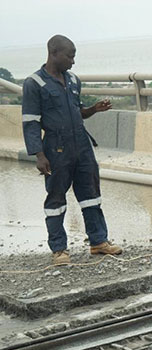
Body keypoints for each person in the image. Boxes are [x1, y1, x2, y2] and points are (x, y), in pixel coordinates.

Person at [21, 34, 122, 266]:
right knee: (56, 198)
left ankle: (98, 242)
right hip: (55, 149)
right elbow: (31, 123)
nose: (73, 62)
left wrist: (94, 109)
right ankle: (59, 249)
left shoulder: (74, 80)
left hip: (82, 146)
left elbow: (78, 112)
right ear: (53, 53)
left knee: (91, 195)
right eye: (70, 56)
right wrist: (39, 155)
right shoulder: (34, 84)